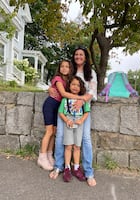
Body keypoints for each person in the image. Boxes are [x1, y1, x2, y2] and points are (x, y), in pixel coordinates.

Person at [49, 47, 97, 186]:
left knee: (85, 139)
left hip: (82, 111)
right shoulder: (69, 70)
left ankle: (88, 172)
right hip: (66, 110)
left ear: (86, 57)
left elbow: (92, 92)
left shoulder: (90, 73)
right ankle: (59, 166)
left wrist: (82, 100)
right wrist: (50, 88)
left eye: (81, 54)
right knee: (60, 138)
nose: (78, 56)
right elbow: (59, 85)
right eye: (76, 54)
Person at [37, 59, 86, 171]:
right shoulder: (58, 79)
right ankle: (42, 156)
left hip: (58, 106)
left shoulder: (68, 80)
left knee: (54, 132)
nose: (64, 68)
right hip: (50, 105)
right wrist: (81, 98)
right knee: (49, 131)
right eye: (62, 66)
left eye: (67, 67)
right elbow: (63, 93)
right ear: (59, 68)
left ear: (70, 69)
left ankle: (49, 155)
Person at [59, 76, 90, 182]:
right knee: (68, 146)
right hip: (68, 123)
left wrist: (81, 120)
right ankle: (67, 168)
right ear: (69, 86)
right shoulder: (65, 99)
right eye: (73, 84)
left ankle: (76, 168)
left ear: (81, 87)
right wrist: (66, 120)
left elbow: (86, 112)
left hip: (79, 124)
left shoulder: (83, 100)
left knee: (77, 146)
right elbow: (61, 112)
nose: (75, 87)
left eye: (78, 85)